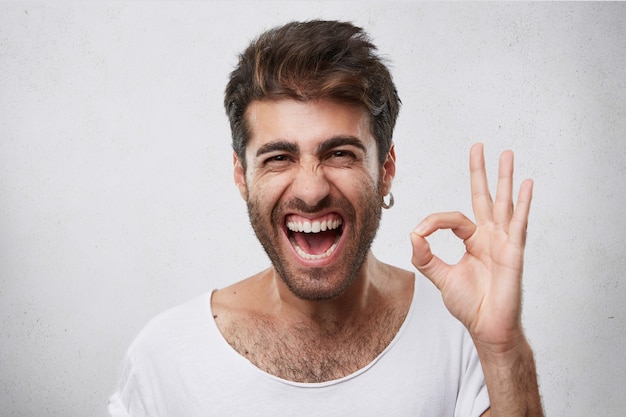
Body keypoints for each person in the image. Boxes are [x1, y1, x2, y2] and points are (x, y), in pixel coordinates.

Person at [108, 20, 543, 416]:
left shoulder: (461, 335)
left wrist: (503, 348)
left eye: (339, 154)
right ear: (242, 177)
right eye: (279, 157)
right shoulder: (166, 357)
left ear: (385, 170)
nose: (312, 190)